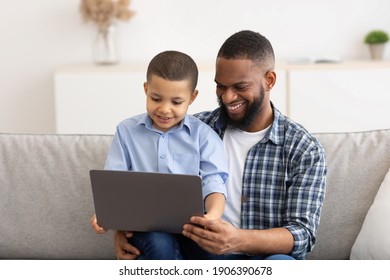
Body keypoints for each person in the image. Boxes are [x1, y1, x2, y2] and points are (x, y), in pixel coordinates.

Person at [114, 30, 327, 260]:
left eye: (240, 87)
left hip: (263, 260)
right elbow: (148, 188)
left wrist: (238, 239)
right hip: (197, 254)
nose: (227, 97)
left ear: (269, 80)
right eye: (221, 86)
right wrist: (124, 232)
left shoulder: (304, 149)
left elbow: (303, 234)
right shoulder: (193, 129)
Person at [90, 50, 228, 260]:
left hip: (192, 228)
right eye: (156, 98)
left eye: (176, 102)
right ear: (146, 89)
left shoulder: (204, 136)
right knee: (159, 241)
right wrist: (105, 215)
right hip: (146, 230)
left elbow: (214, 183)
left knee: (216, 253)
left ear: (192, 98)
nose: (164, 109)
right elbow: (113, 182)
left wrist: (213, 216)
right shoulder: (126, 131)